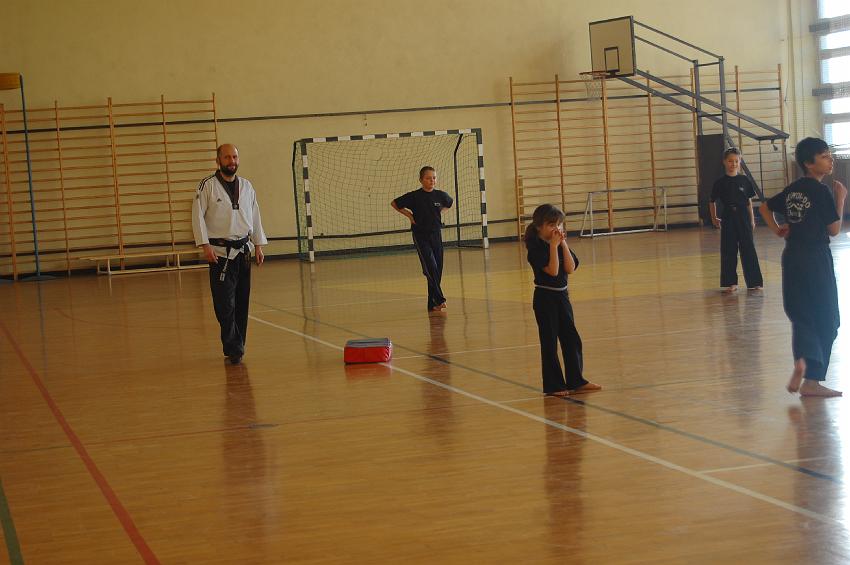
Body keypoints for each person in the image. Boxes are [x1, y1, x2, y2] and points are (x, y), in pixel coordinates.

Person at [760, 137, 847, 397]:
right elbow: (834, 229)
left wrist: (777, 229)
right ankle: (812, 380)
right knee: (828, 318)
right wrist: (840, 198)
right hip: (816, 259)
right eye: (824, 156)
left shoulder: (793, 189)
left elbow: (764, 208)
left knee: (801, 315)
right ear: (809, 163)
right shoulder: (821, 191)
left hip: (792, 258)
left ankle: (802, 361)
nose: (830, 160)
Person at [192, 144, 268, 364]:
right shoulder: (207, 186)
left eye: (234, 157)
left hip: (243, 251)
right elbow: (197, 216)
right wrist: (204, 245)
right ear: (218, 161)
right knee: (224, 305)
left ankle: (237, 347)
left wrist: (258, 245)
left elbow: (255, 215)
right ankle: (234, 346)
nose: (231, 161)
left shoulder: (247, 186)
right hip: (219, 253)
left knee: (242, 302)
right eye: (227, 157)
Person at [525, 204, 601, 396]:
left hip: (562, 296)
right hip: (545, 298)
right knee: (550, 343)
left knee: (571, 339)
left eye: (558, 224)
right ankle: (554, 386)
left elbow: (570, 268)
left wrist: (563, 244)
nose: (556, 229)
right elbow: (553, 271)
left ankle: (576, 380)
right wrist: (553, 246)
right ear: (539, 226)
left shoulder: (558, 244)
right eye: (551, 225)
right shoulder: (535, 249)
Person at [391, 166, 453, 311]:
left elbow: (449, 203)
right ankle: (440, 299)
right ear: (421, 180)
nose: (432, 181)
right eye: (428, 178)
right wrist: (410, 216)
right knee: (431, 266)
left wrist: (440, 212)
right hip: (421, 235)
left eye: (434, 178)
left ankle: (432, 303)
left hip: (436, 235)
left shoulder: (440, 195)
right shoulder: (414, 196)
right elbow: (395, 203)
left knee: (437, 269)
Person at [709, 147, 763, 292]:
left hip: (743, 217)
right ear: (724, 162)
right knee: (729, 249)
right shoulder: (720, 182)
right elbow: (712, 201)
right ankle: (730, 282)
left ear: (740, 162)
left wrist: (752, 220)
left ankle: (754, 282)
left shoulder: (744, 180)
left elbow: (749, 201)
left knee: (748, 249)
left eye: (736, 161)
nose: (733, 164)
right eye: (730, 161)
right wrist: (714, 218)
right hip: (728, 217)